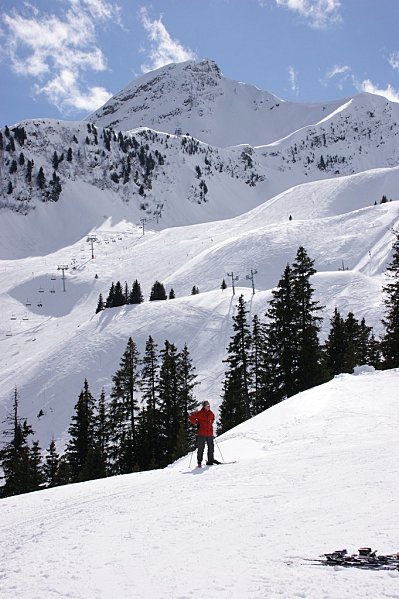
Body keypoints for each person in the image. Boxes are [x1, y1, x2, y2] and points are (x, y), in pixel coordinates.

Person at [189, 401, 215, 467]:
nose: (208, 407)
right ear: (204, 406)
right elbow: (191, 418)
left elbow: (213, 419)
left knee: (211, 448)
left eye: (209, 406)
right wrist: (197, 423)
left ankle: (210, 461)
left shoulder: (211, 413)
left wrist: (210, 425)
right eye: (207, 406)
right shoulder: (199, 413)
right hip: (201, 434)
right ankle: (199, 462)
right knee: (201, 449)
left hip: (209, 433)